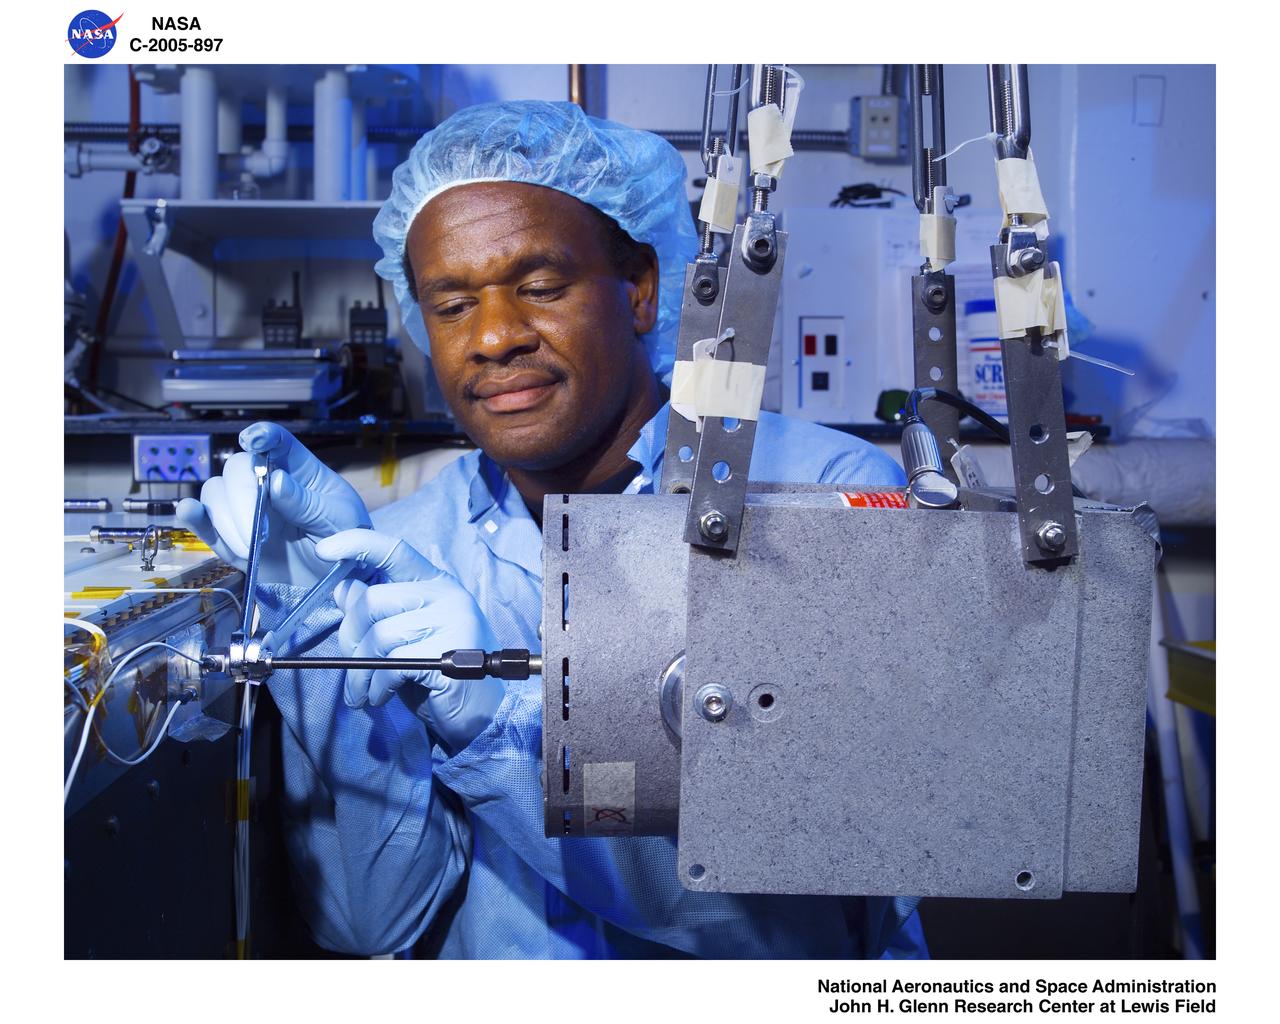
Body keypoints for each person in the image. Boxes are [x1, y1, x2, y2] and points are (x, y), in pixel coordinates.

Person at [178, 100, 927, 959]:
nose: (493, 337)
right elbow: (374, 921)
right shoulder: (410, 547)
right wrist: (309, 614)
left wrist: (491, 730)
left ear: (640, 289)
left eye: (539, 287)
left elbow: (769, 906)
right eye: (451, 305)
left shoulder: (825, 500)